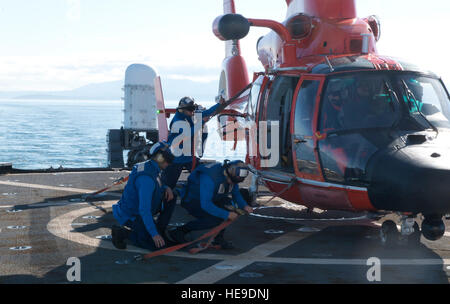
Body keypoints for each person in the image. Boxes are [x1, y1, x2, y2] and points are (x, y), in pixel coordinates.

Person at [168, 160, 253, 249]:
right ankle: (180, 231)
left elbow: (235, 193)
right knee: (215, 220)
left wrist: (244, 205)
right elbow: (206, 205)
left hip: (214, 198)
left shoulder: (231, 176)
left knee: (230, 208)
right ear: (227, 173)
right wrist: (226, 214)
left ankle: (218, 238)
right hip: (193, 201)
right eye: (231, 181)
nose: (232, 184)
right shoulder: (210, 178)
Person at [111, 142, 175, 250]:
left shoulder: (151, 167)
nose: (169, 163)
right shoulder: (146, 179)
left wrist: (165, 187)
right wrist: (154, 234)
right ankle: (122, 233)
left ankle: (160, 230)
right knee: (156, 245)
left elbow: (157, 183)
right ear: (159, 158)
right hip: (132, 215)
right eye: (167, 160)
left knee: (172, 196)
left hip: (140, 211)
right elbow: (144, 210)